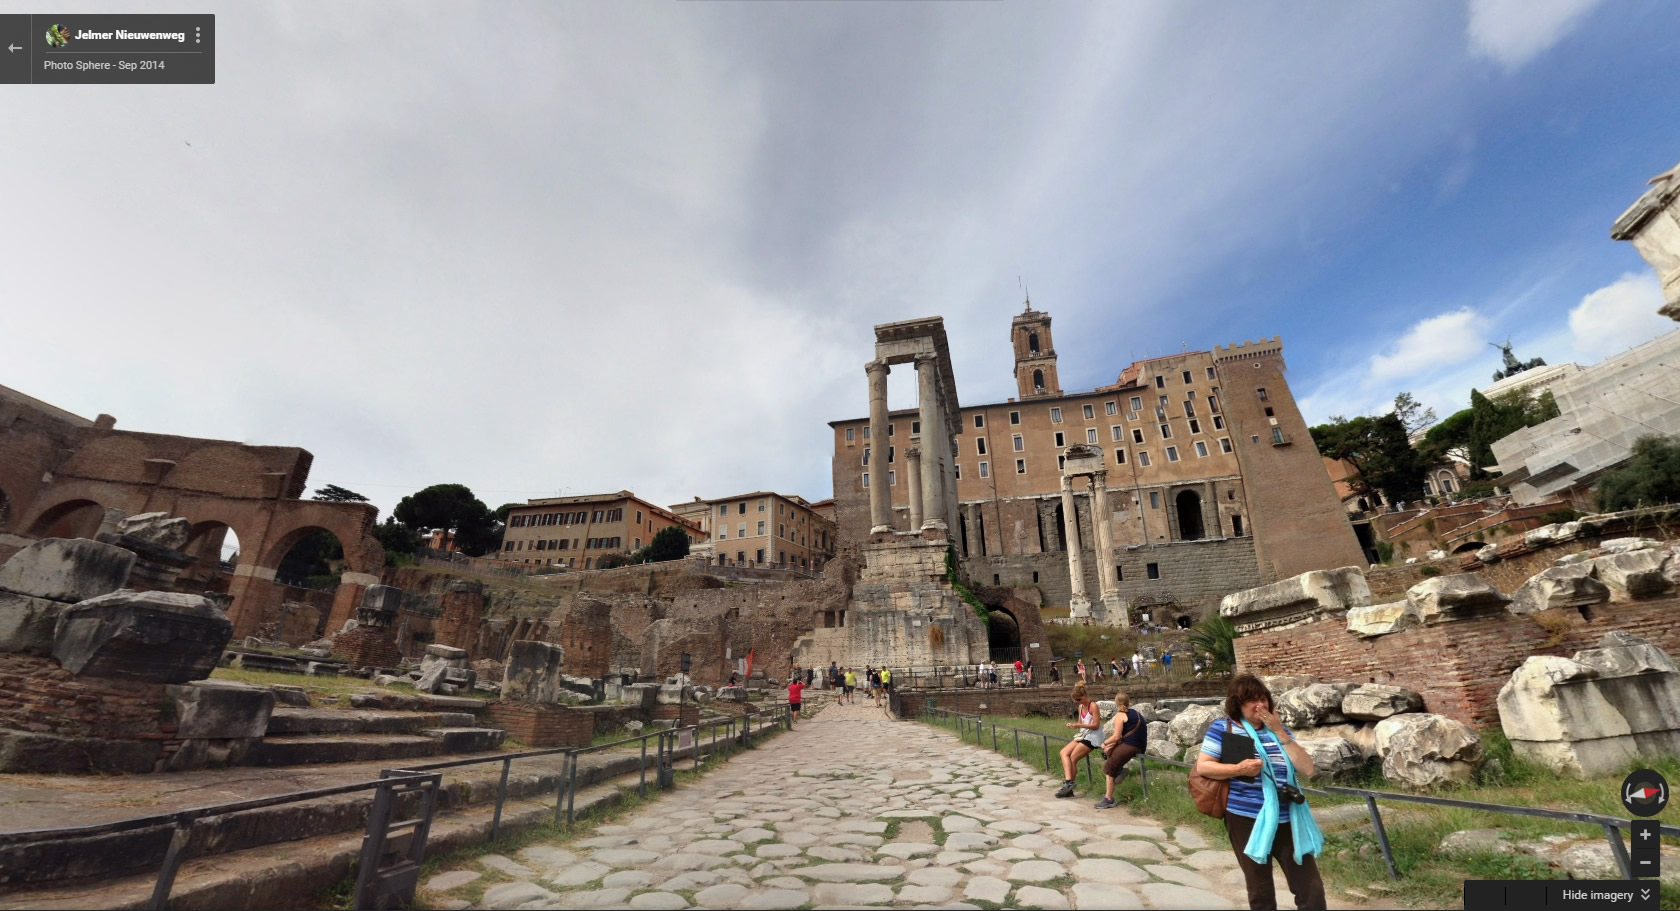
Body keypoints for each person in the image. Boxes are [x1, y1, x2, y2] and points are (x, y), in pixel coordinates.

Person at [1194, 674, 1326, 910]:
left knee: (1311, 888)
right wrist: (1239, 769)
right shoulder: (1224, 729)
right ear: (1237, 704)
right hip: (1245, 818)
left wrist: (1280, 733)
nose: (1261, 705)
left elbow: (1307, 768)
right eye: (1252, 700)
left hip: (1289, 818)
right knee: (1260, 889)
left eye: (1263, 698)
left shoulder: (1279, 730)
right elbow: (1204, 766)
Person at [1095, 689, 1148, 809]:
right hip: (1140, 746)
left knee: (1108, 768)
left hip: (1130, 745)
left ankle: (1108, 798)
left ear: (1116, 703)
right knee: (1111, 753)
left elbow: (1116, 736)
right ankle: (1120, 771)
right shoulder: (1136, 713)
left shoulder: (1120, 715)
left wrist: (1104, 743)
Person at [1055, 682, 1103, 798]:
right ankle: (1069, 783)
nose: (1078, 702)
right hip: (1083, 734)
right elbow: (1081, 723)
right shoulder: (1081, 707)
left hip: (1093, 737)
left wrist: (1078, 726)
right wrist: (1074, 725)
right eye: (1076, 700)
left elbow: (1096, 725)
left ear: (1085, 695)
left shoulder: (1093, 706)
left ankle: (1069, 785)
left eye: (1079, 699)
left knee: (1073, 758)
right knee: (1063, 752)